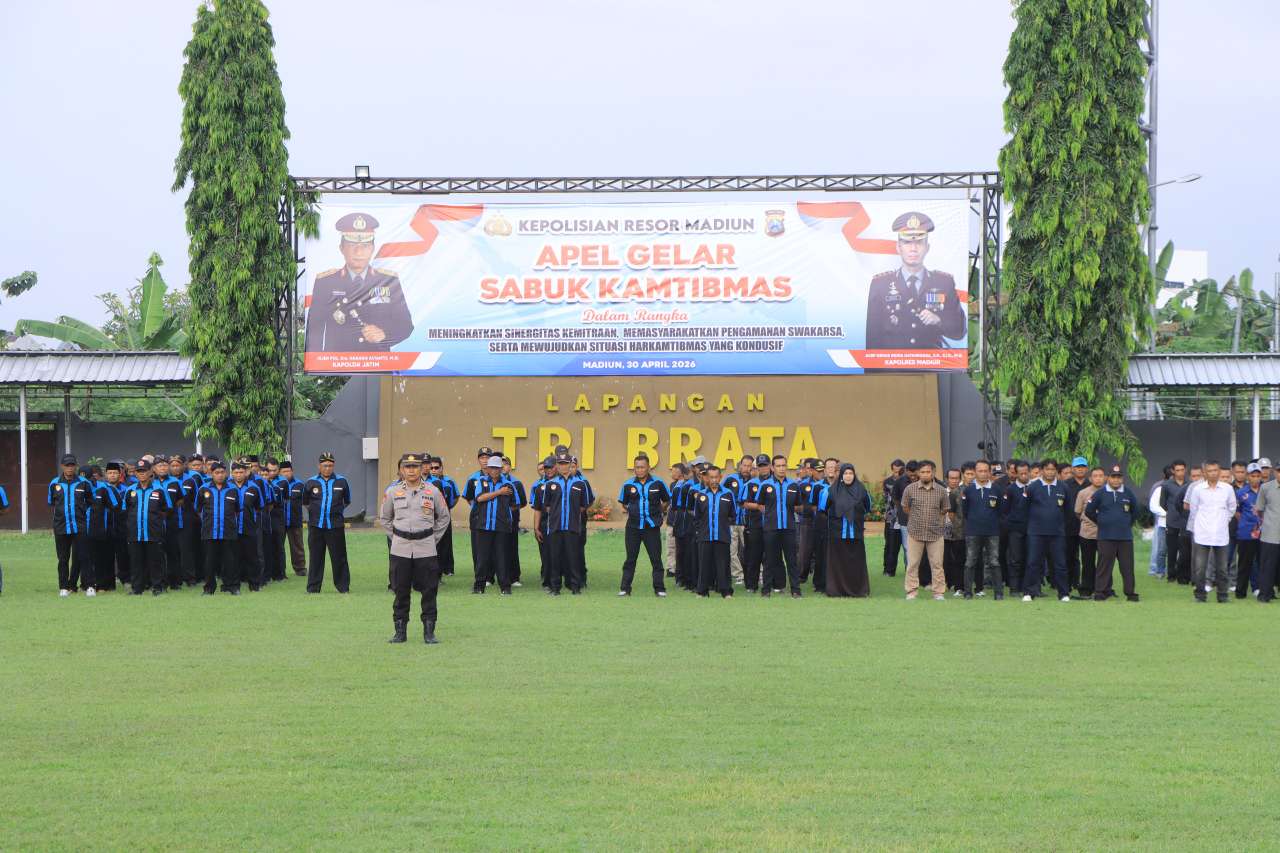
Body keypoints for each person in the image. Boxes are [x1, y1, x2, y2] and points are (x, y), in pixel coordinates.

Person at [306, 212, 414, 351]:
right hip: (338, 366)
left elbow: (405, 325)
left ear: (373, 249)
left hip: (378, 365)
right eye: (352, 245)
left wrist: (384, 333)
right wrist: (317, 365)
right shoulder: (326, 282)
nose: (359, 252)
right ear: (342, 248)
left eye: (365, 246)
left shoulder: (388, 281)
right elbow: (315, 330)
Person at [865, 212, 965, 349]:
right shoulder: (880, 284)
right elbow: (872, 338)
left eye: (919, 242)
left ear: (927, 248)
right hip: (891, 367)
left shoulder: (944, 283)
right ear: (898, 248)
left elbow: (959, 331)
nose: (913, 249)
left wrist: (939, 320)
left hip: (931, 365)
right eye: (907, 243)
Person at [380, 453, 451, 644]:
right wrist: (396, 537)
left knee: (429, 590)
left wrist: (432, 537)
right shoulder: (393, 492)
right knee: (401, 590)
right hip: (400, 548)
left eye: (415, 467)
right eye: (407, 467)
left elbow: (444, 517)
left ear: (422, 469)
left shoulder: (432, 491)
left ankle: (429, 632)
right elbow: (385, 518)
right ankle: (400, 631)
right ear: (402, 470)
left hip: (426, 548)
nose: (411, 470)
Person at [533, 452, 591, 594]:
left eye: (566, 463)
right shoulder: (550, 484)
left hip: (572, 526)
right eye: (560, 463)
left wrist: (571, 513)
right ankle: (555, 587)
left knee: (573, 557)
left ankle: (575, 587)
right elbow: (546, 506)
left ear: (570, 465)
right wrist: (557, 514)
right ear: (557, 466)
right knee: (555, 558)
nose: (563, 466)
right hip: (555, 526)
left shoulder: (579, 483)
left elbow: (584, 505)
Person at [617, 453, 671, 597]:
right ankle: (625, 588)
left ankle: (659, 589)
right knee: (630, 559)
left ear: (648, 467)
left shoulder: (658, 483)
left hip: (651, 527)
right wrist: (633, 511)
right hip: (633, 527)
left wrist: (660, 511)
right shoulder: (628, 484)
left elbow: (666, 500)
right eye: (637, 467)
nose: (639, 470)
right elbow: (623, 502)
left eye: (642, 467)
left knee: (656, 559)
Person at [749, 454, 802, 597]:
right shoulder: (765, 485)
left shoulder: (793, 485)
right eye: (778, 466)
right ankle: (766, 590)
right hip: (771, 529)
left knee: (792, 560)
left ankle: (796, 590)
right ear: (772, 467)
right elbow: (760, 504)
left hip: (789, 528)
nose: (781, 468)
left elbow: (798, 505)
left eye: (784, 465)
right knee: (770, 560)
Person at [1084, 465, 1139, 601]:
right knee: (1104, 566)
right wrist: (1101, 522)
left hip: (1125, 537)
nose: (1116, 480)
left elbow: (1136, 511)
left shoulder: (1128, 492)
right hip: (1106, 536)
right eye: (1113, 477)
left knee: (1127, 567)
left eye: (1118, 477)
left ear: (1122, 479)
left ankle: (1130, 593)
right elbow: (1089, 511)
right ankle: (1100, 592)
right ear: (1108, 478)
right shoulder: (1100, 493)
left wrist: (1127, 524)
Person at [817, 463, 871, 597]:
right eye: (845, 473)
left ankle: (858, 590)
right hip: (837, 533)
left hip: (856, 534)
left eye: (850, 473)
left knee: (855, 563)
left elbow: (868, 507)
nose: (848, 476)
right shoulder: (830, 491)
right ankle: (836, 590)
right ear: (840, 475)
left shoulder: (862, 491)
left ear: (854, 475)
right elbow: (823, 509)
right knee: (838, 563)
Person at [464, 456, 516, 594]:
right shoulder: (481, 481)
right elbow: (480, 498)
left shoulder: (509, 485)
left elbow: (515, 504)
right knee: (482, 558)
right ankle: (479, 587)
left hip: (501, 527)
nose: (494, 470)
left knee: (502, 558)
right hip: (483, 525)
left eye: (497, 468)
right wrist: (499, 493)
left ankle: (505, 588)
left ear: (501, 469)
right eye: (491, 467)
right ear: (488, 469)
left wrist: (504, 514)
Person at [1187, 460, 1236, 603]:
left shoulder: (1227, 489)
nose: (1213, 473)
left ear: (1219, 471)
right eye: (1210, 471)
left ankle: (1222, 595)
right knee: (1200, 568)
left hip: (1221, 534)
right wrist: (1202, 525)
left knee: (1222, 569)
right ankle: (1200, 595)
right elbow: (1194, 510)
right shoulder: (1198, 489)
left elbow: (1232, 508)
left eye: (1216, 470)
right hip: (1202, 534)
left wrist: (1223, 521)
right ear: (1204, 473)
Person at [123, 458, 173, 595]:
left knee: (155, 561)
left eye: (144, 471)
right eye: (139, 472)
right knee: (136, 562)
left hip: (153, 532)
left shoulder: (160, 490)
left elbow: (168, 509)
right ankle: (137, 588)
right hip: (135, 533)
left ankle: (158, 587)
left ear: (151, 472)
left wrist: (155, 521)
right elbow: (125, 510)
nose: (141, 474)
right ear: (136, 474)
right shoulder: (130, 490)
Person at [901, 460, 950, 600]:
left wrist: (936, 523)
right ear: (918, 473)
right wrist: (917, 519)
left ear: (933, 473)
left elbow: (945, 509)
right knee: (912, 564)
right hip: (915, 532)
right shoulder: (910, 489)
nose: (925, 474)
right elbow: (905, 508)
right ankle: (911, 592)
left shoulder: (941, 490)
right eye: (922, 472)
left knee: (937, 565)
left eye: (928, 472)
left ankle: (939, 592)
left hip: (935, 534)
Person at [304, 452, 352, 593]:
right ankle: (313, 588)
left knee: (339, 557)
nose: (327, 468)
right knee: (315, 558)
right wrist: (316, 511)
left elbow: (347, 501)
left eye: (330, 465)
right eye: (325, 465)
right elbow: (306, 502)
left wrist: (336, 511)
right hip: (316, 526)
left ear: (334, 465)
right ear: (319, 466)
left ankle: (343, 587)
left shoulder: (342, 481)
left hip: (335, 526)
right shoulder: (310, 482)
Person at [1023, 459, 1070, 602]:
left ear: (1056, 471)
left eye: (1052, 469)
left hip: (1057, 533)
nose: (1050, 472)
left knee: (1060, 564)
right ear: (1042, 470)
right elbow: (1024, 509)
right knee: (1033, 563)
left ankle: (1063, 593)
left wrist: (1060, 526)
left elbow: (1067, 510)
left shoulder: (1063, 487)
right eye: (1047, 469)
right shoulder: (1033, 487)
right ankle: (1029, 592)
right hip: (1036, 533)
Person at [48, 453, 92, 597]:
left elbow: (90, 502)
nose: (69, 468)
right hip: (61, 526)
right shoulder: (54, 483)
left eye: (72, 465)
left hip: (79, 525)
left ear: (75, 466)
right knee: (63, 558)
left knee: (84, 556)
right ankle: (64, 587)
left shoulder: (84, 483)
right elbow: (52, 503)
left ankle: (89, 586)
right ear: (62, 466)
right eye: (67, 465)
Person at [195, 461, 242, 595]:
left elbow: (237, 510)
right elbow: (198, 509)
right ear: (211, 474)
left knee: (230, 561)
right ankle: (209, 588)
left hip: (228, 531)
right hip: (210, 532)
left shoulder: (233, 489)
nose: (220, 475)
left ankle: (231, 586)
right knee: (209, 562)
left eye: (222, 472)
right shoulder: (203, 489)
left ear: (226, 473)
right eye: (217, 473)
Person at [690, 464, 737, 597]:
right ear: (707, 478)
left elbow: (733, 515)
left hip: (722, 535)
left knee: (723, 565)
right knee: (704, 565)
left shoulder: (728, 494)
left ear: (720, 477)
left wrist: (725, 526)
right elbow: (697, 516)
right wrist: (700, 530)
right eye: (711, 477)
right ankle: (702, 591)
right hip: (705, 536)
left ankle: (726, 591)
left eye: (716, 477)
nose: (714, 480)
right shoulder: (701, 495)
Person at [959, 459, 1003, 599]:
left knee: (994, 561)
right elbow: (965, 511)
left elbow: (1001, 510)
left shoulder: (997, 489)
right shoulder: (968, 490)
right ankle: (967, 592)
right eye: (980, 471)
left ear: (990, 472)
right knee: (970, 561)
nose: (983, 473)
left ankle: (998, 593)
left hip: (992, 532)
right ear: (975, 472)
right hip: (973, 531)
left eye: (985, 471)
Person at [229, 460, 267, 591]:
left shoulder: (254, 487)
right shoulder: (227, 487)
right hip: (231, 529)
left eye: (241, 472)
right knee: (233, 558)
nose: (239, 474)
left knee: (252, 557)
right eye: (236, 472)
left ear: (246, 473)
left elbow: (259, 506)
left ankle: (254, 584)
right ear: (232, 473)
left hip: (249, 527)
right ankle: (234, 585)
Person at [86, 465, 120, 594]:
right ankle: (87, 584)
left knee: (103, 558)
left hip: (103, 529)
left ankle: (104, 585)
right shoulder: (80, 488)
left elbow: (115, 506)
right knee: (86, 558)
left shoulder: (104, 488)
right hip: (84, 528)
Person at [740, 455, 769, 592]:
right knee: (753, 556)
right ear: (756, 468)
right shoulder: (750, 484)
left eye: (765, 465)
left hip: (771, 525)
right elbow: (744, 503)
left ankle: (774, 584)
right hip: (754, 525)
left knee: (771, 556)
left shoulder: (775, 483)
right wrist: (758, 507)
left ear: (770, 466)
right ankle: (751, 585)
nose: (763, 468)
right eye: (760, 466)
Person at [1074, 467, 1104, 599]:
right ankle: (1086, 588)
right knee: (1087, 562)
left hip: (1105, 533)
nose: (1098, 478)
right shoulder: (1083, 493)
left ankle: (1103, 588)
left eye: (1101, 476)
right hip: (1087, 533)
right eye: (1095, 476)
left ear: (1105, 478)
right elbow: (1078, 512)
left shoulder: (1109, 492)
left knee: (1104, 563)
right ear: (1090, 478)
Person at [722, 455, 752, 587]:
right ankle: (739, 574)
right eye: (744, 465)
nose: (746, 468)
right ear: (740, 465)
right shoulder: (730, 479)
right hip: (732, 522)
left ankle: (758, 573)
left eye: (749, 466)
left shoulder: (754, 482)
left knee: (751, 550)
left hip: (748, 522)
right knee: (731, 550)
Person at [1252, 464, 1280, 603]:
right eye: (1279, 471)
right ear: (1274, 472)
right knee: (1267, 566)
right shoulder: (1266, 487)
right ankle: (1265, 594)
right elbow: (1259, 509)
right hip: (1271, 534)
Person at [1234, 462, 1263, 598]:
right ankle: (1241, 591)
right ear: (1248, 477)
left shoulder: (1266, 490)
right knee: (1245, 563)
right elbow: (1237, 512)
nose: (1255, 478)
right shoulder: (1241, 493)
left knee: (1263, 562)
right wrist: (1246, 523)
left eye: (1258, 476)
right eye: (1253, 476)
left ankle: (1261, 588)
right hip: (1246, 533)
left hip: (1265, 533)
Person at [427, 456, 459, 577]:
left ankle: (448, 568)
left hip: (445, 515)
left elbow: (455, 497)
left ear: (441, 468)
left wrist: (448, 508)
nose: (434, 470)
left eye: (436, 467)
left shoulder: (449, 482)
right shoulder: (426, 483)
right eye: (431, 468)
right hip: (430, 517)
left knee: (446, 541)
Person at [1062, 456, 1090, 594]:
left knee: (1086, 558)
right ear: (1072, 469)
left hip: (1087, 527)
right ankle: (1067, 584)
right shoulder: (1065, 484)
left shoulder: (1091, 485)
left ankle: (1084, 585)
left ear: (1087, 469)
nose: (1080, 469)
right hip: (1069, 526)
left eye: (1083, 467)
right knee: (1069, 556)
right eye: (1078, 467)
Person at [1160, 460, 1191, 585]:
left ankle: (1184, 574)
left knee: (1186, 550)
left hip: (1186, 521)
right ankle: (1171, 575)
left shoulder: (1190, 484)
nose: (1180, 473)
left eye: (1182, 470)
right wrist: (1172, 511)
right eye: (1177, 470)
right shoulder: (1166, 485)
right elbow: (1162, 503)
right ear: (1173, 471)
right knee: (1172, 550)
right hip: (1172, 521)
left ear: (1186, 470)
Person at [276, 460, 308, 577]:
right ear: (280, 472)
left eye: (288, 471)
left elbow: (306, 501)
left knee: (298, 546)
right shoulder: (276, 484)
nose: (286, 473)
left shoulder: (300, 485)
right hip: (280, 521)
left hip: (295, 520)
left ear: (292, 471)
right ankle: (279, 570)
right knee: (278, 546)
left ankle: (300, 569)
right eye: (284, 471)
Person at [501, 456, 526, 588]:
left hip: (511, 522)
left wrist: (508, 510)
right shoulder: (493, 482)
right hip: (496, 523)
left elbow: (522, 503)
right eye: (501, 464)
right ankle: (491, 577)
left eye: (506, 464)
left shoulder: (516, 483)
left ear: (510, 467)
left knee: (512, 549)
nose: (504, 466)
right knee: (497, 549)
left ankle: (514, 577)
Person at [943, 467, 966, 595]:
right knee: (945, 558)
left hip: (960, 531)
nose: (954, 481)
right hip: (944, 530)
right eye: (951, 478)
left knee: (958, 558)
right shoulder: (941, 492)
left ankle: (959, 584)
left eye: (956, 478)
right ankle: (947, 582)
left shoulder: (963, 492)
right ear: (947, 479)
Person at [882, 459, 904, 576]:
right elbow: (887, 499)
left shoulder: (907, 481)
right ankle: (888, 570)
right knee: (890, 545)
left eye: (899, 471)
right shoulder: (887, 482)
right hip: (891, 519)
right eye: (895, 471)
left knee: (906, 546)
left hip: (905, 519)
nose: (897, 474)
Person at [1147, 467, 1169, 577]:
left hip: (1161, 520)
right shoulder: (1159, 487)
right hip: (1160, 521)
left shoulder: (1157, 485)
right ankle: (1156, 569)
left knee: (1159, 548)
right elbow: (1153, 504)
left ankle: (1155, 569)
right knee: (1159, 549)